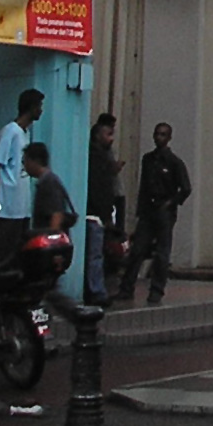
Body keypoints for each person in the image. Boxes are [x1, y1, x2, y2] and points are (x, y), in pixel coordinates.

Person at [117, 122, 191, 304]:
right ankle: (126, 288)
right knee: (137, 250)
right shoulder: (148, 159)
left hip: (164, 211)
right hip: (148, 211)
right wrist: (140, 211)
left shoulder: (174, 162)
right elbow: (143, 186)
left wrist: (171, 203)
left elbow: (186, 188)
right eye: (157, 134)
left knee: (162, 253)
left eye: (163, 135)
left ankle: (157, 290)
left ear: (169, 138)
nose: (159, 138)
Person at [0, 89, 42, 266]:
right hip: (8, 207)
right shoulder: (11, 132)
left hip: (22, 206)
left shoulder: (25, 133)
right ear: (31, 107)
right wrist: (7, 183)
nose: (41, 110)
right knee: (4, 251)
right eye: (39, 106)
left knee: (18, 253)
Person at [83, 113, 123, 306]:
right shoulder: (96, 158)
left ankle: (97, 288)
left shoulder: (103, 157)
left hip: (101, 211)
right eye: (108, 134)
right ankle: (96, 291)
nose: (111, 138)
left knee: (100, 253)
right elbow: (98, 188)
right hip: (94, 213)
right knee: (95, 254)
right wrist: (104, 213)